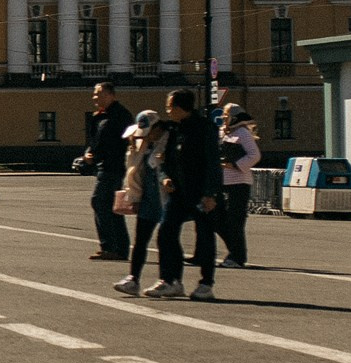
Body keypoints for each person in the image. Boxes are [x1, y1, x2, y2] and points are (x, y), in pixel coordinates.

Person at [152, 87, 221, 300]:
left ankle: (206, 284)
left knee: (205, 237)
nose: (167, 110)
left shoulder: (204, 128)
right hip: (178, 191)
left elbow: (212, 162)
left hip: (200, 191)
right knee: (166, 233)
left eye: (169, 106)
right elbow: (165, 159)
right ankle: (170, 280)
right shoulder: (175, 129)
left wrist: (211, 193)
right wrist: (165, 176)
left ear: (181, 107)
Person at [112, 111, 167, 297]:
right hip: (148, 197)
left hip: (166, 197)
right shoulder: (142, 144)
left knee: (166, 240)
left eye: (149, 132)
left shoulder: (169, 140)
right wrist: (133, 198)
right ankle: (133, 278)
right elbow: (133, 173)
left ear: (158, 127)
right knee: (140, 240)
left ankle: (168, 280)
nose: (146, 136)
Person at [79, 82, 134, 261]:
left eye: (99, 94)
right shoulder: (101, 117)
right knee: (111, 206)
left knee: (101, 203)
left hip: (115, 167)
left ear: (111, 95)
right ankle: (117, 248)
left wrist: (95, 155)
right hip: (105, 166)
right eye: (94, 94)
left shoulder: (120, 116)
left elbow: (118, 144)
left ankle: (112, 246)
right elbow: (97, 141)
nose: (95, 97)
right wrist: (90, 153)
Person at [217, 105, 262, 268]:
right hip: (224, 181)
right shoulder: (223, 133)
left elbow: (255, 155)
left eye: (226, 116)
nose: (223, 118)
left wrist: (236, 164)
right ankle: (235, 251)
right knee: (219, 218)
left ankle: (237, 256)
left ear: (235, 117)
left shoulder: (242, 133)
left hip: (239, 182)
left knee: (235, 221)